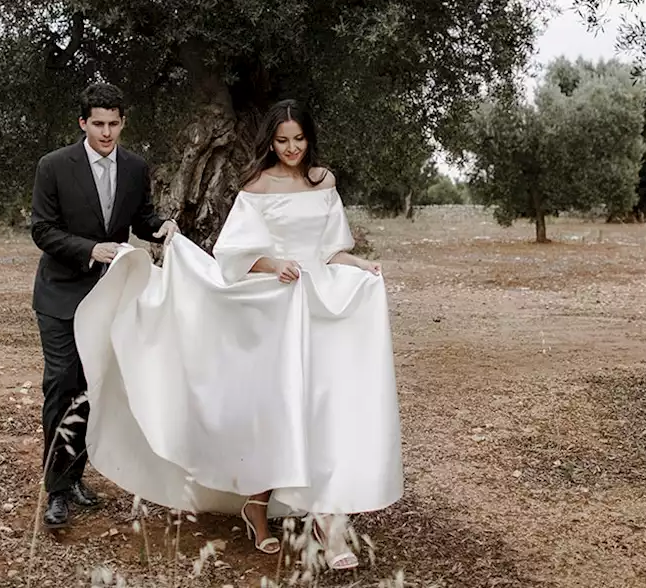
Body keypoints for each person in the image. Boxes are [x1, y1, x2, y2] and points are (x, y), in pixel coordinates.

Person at [74, 99, 402, 571]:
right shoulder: (256, 186)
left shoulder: (323, 182)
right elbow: (232, 254)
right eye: (282, 140)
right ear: (271, 142)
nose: (291, 149)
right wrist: (273, 263)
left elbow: (333, 250)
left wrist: (361, 267)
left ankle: (328, 521)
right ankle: (256, 504)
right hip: (272, 307)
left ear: (310, 138)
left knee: (322, 408)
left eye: (299, 139)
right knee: (273, 409)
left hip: (317, 309)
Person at [29, 82, 178, 529]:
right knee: (61, 383)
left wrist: (161, 228)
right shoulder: (53, 166)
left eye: (114, 123)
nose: (107, 132)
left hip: (111, 297)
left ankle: (74, 475)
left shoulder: (135, 167)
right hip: (59, 296)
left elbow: (142, 218)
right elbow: (43, 230)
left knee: (93, 388)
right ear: (83, 123)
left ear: (123, 122)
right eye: (99, 123)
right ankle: (56, 490)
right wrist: (92, 250)